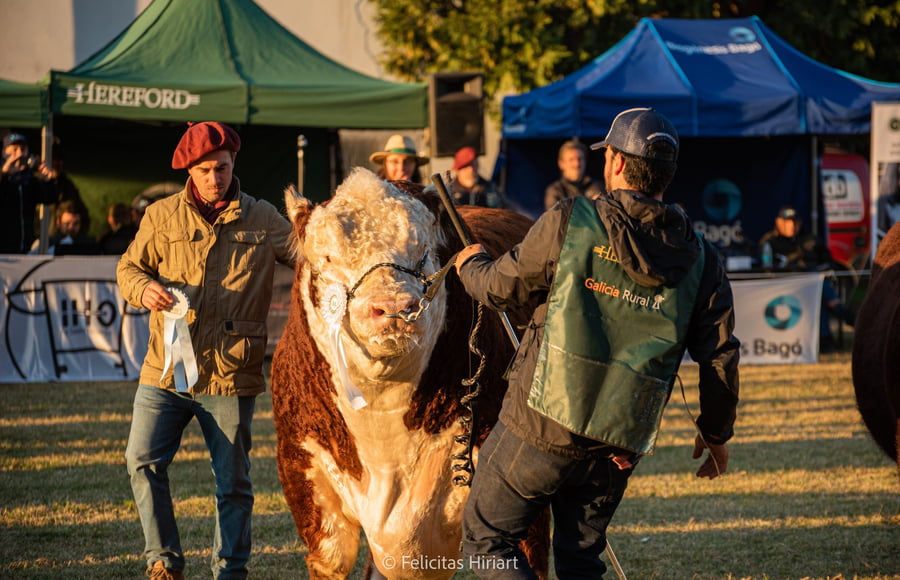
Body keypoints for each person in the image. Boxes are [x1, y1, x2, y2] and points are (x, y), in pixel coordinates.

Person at [454, 108, 740, 578]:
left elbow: (498, 288)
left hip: (542, 423)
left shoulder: (572, 220)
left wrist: (471, 263)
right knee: (579, 558)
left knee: (487, 540)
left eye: (607, 153)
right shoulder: (703, 257)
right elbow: (720, 355)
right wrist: (715, 433)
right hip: (619, 440)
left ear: (618, 164)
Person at [117, 121, 296, 580]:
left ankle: (230, 571)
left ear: (234, 164)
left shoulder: (262, 218)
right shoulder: (160, 216)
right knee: (141, 460)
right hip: (166, 370)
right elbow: (128, 268)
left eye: (222, 167)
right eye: (204, 170)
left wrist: (315, 224)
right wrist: (143, 289)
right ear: (189, 172)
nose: (214, 178)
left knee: (232, 483)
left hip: (231, 374)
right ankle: (163, 561)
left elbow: (309, 252)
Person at [758, 205, 854, 352]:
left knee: (818, 294)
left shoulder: (810, 239)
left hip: (811, 285)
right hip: (783, 287)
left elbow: (828, 263)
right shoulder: (769, 241)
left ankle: (825, 340)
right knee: (821, 292)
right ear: (778, 222)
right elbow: (766, 269)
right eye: (787, 222)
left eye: (795, 222)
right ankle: (840, 312)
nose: (792, 226)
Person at [0, 132, 56, 253]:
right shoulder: (4, 179)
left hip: (24, 248)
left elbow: (48, 198)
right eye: (14, 149)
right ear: (4, 152)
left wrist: (47, 181)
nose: (19, 153)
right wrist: (4, 174)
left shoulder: (29, 181)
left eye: (23, 149)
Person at [543, 139, 605, 211]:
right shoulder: (554, 191)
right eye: (571, 159)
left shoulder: (598, 186)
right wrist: (590, 205)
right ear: (561, 164)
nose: (577, 164)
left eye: (580, 159)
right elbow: (555, 218)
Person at [28, 199, 98, 255]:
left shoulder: (88, 244)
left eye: (75, 224)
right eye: (67, 223)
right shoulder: (45, 244)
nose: (71, 227)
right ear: (58, 222)